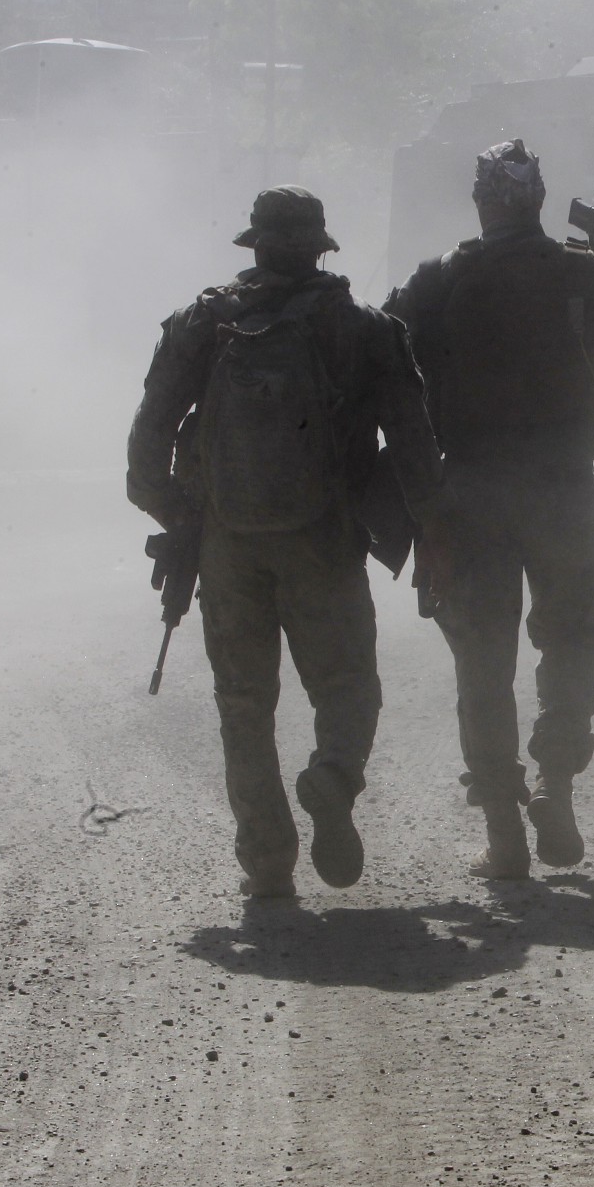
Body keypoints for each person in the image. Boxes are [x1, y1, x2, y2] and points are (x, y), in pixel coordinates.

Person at [126, 185, 450, 897]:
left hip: (226, 545)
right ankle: (332, 776)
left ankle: (268, 862)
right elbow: (417, 446)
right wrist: (432, 533)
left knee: (243, 704)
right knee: (347, 686)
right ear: (319, 246)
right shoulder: (364, 328)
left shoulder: (201, 324)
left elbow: (145, 451)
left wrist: (184, 518)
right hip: (324, 541)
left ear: (256, 244)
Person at [385, 139, 594, 880]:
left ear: (482, 201)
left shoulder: (438, 280)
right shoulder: (587, 279)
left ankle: (504, 832)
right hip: (565, 490)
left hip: (470, 493)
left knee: (482, 660)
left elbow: (387, 383)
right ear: (540, 201)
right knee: (571, 642)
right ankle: (556, 785)